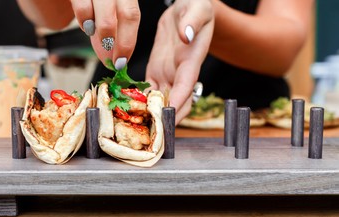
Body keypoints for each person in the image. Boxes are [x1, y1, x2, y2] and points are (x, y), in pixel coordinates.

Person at [17, 0, 314, 123]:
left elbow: (285, 44)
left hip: (251, 127)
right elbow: (50, 15)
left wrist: (208, 15)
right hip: (115, 120)